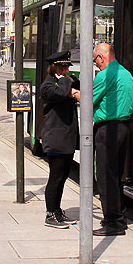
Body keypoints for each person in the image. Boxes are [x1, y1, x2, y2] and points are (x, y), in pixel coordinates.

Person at [90, 43, 133, 236]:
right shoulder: (126, 74)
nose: (96, 65)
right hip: (124, 128)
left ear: (101, 57)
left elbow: (89, 99)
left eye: (95, 61)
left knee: (105, 177)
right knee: (115, 176)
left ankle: (113, 222)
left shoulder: (105, 75)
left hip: (107, 129)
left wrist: (74, 93)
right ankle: (119, 216)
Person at [39, 51, 79, 228]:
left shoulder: (62, 83)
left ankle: (57, 210)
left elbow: (78, 86)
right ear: (54, 67)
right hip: (55, 139)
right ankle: (50, 214)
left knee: (63, 176)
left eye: (67, 67)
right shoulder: (47, 87)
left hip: (66, 138)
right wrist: (65, 81)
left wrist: (71, 81)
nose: (65, 70)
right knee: (55, 177)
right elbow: (62, 93)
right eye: (62, 67)